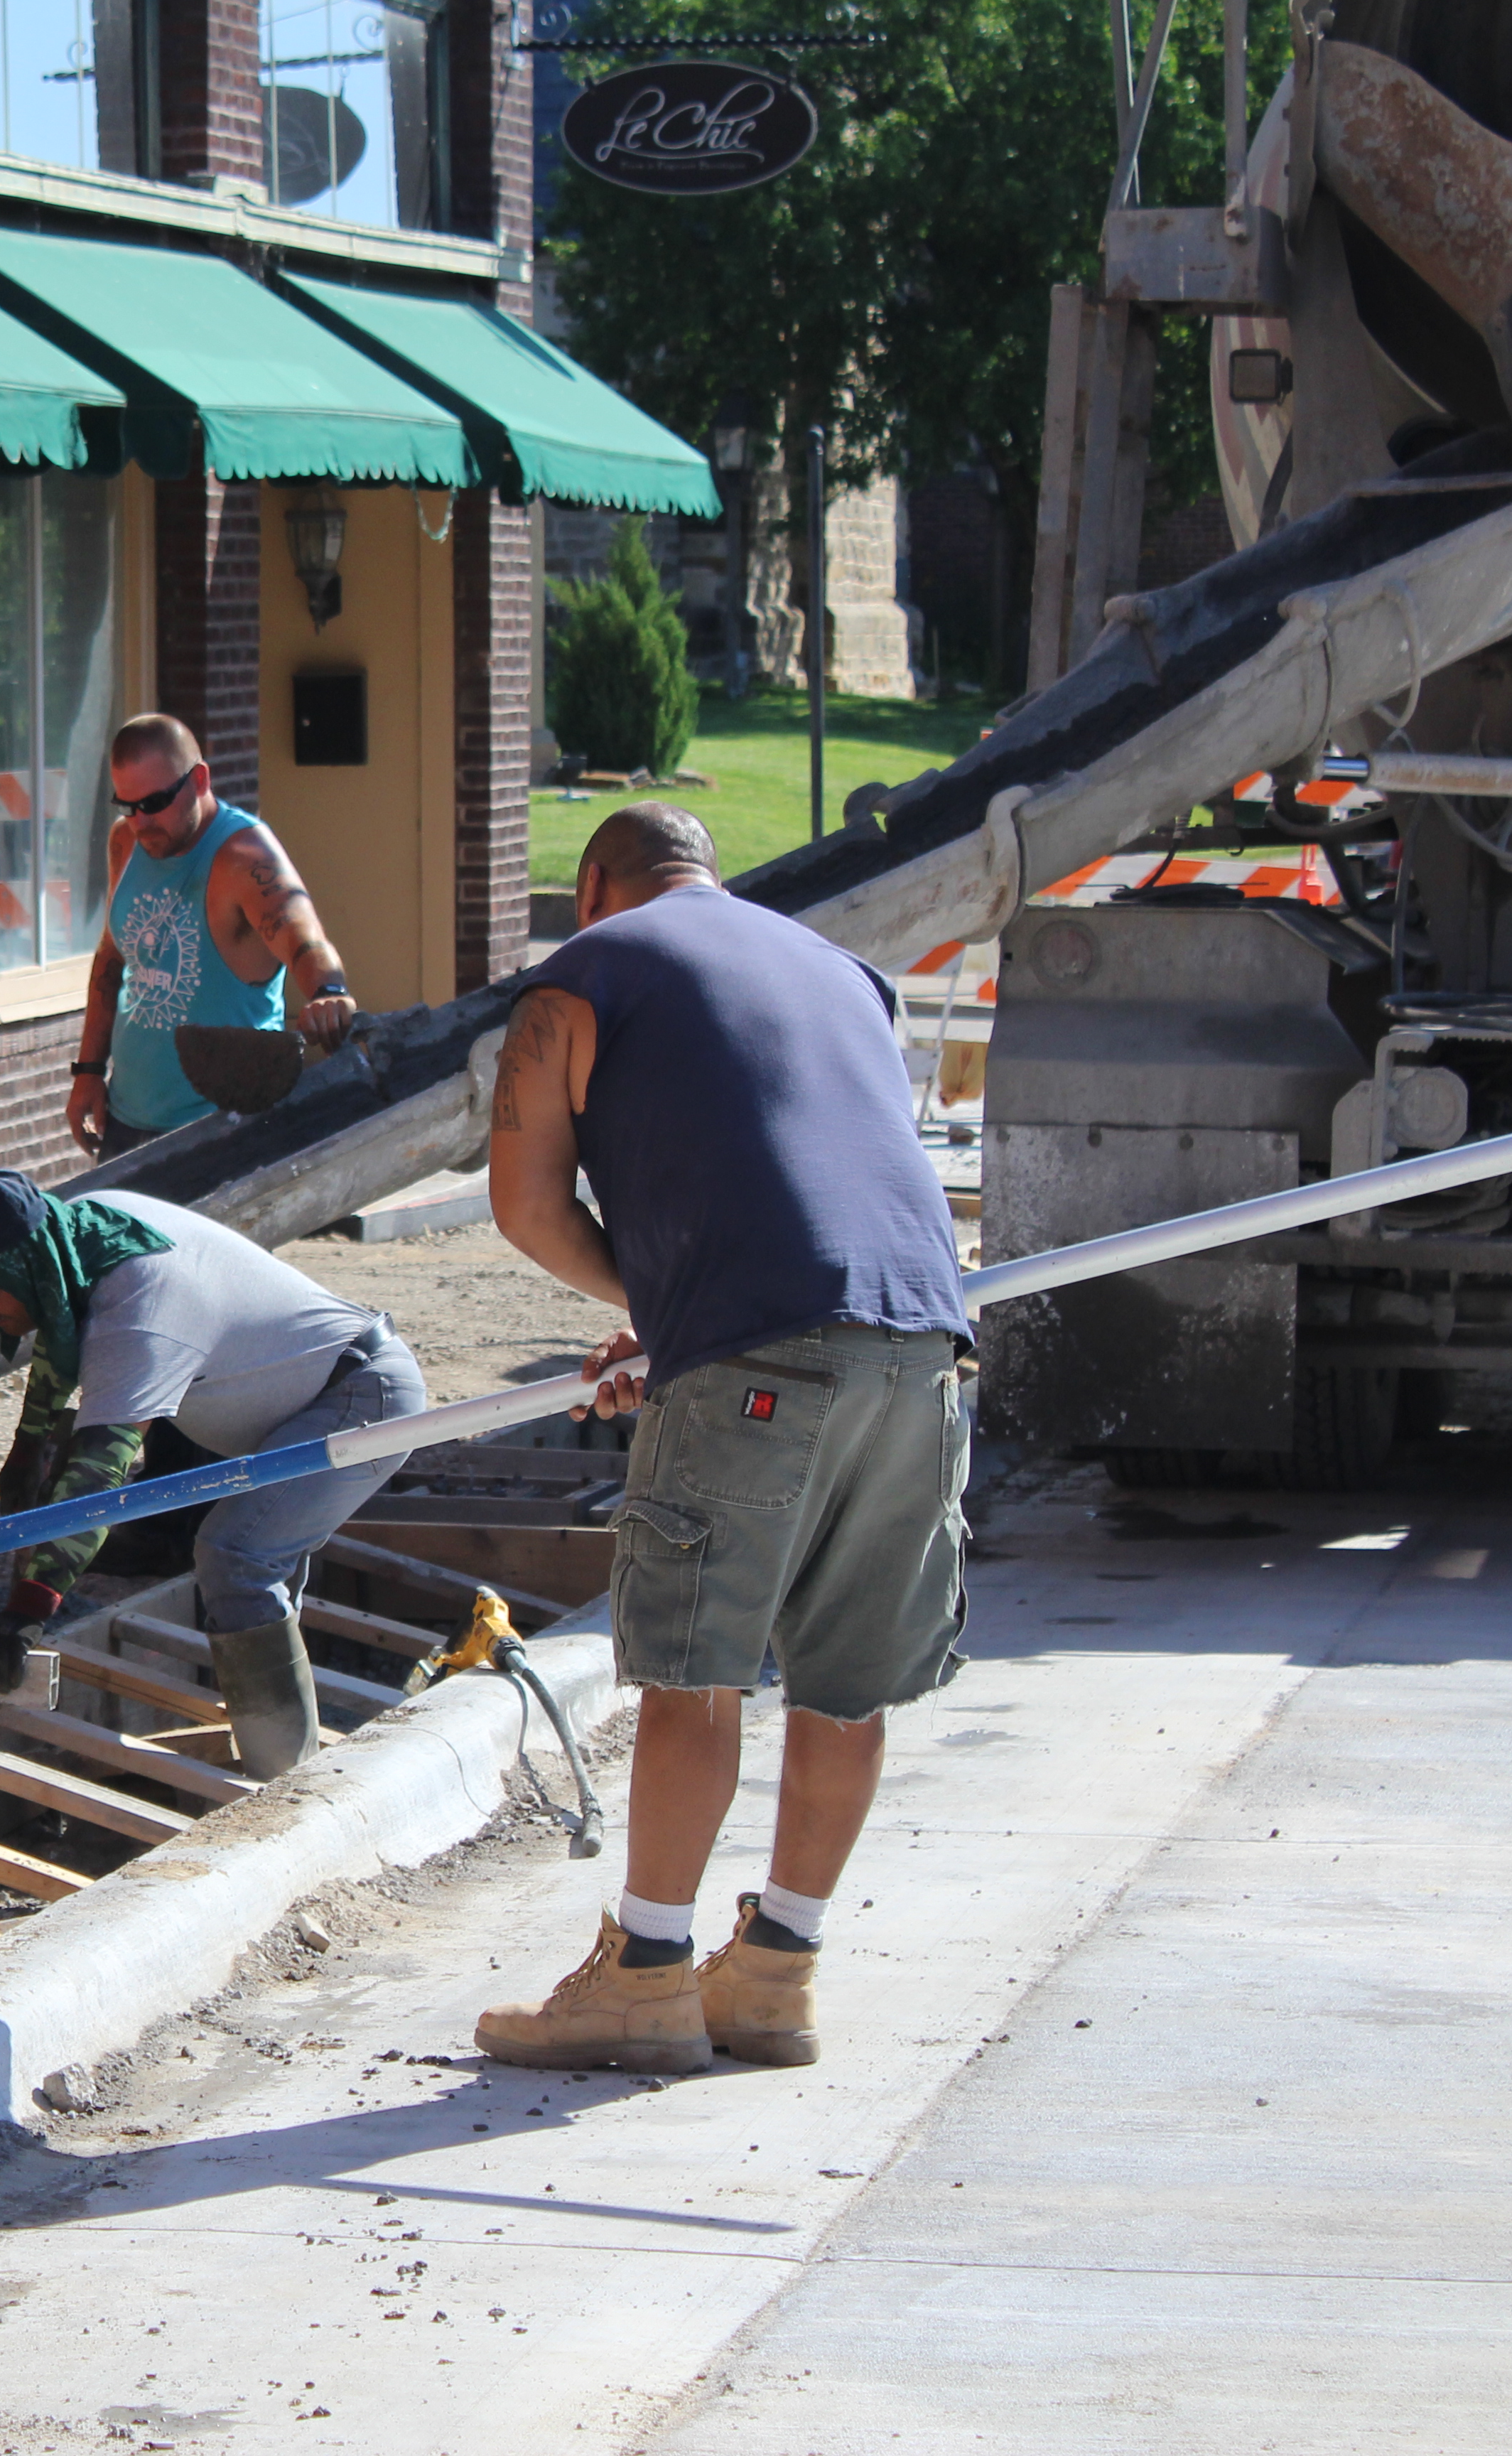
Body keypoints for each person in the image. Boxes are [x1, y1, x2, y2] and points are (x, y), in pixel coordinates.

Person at [474, 802, 973, 2075]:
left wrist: (678, 1317)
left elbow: (524, 1207)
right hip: (922, 1344)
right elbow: (817, 1181)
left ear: (596, 886)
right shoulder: (843, 972)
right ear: (707, 876)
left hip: (757, 1354)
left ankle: (643, 1977)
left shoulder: (583, 973)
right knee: (847, 1681)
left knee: (693, 1663)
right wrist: (681, 1326)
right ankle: (773, 1974)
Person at [0, 1168, 430, 1774]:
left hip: (359, 1400)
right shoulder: (88, 1226)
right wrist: (27, 1452)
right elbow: (60, 1324)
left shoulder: (138, 1312)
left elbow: (99, 1484)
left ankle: (284, 1781)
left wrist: (27, 1612)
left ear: (26, 1264)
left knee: (235, 1557)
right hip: (305, 1396)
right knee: (253, 1566)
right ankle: (284, 1747)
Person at [70, 713, 359, 1158]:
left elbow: (302, 934)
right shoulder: (126, 842)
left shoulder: (245, 856)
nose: (141, 821)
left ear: (199, 780)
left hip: (225, 1128)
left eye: (155, 802)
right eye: (127, 806)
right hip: (128, 1117)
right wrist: (89, 1069)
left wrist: (329, 992)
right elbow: (113, 954)